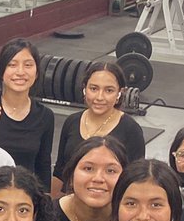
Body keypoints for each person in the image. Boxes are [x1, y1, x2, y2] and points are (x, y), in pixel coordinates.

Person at [51, 62, 145, 197]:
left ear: (120, 93)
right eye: (94, 89)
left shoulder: (131, 130)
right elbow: (60, 171)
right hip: (72, 201)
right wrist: (52, 204)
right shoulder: (72, 122)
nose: (100, 97)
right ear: (84, 89)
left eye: (109, 90)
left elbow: (135, 180)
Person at [0, 39, 55, 189]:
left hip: (25, 195)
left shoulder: (45, 116)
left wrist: (45, 200)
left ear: (36, 73)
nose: (20, 72)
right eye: (12, 65)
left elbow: (43, 166)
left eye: (28, 65)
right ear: (1, 71)